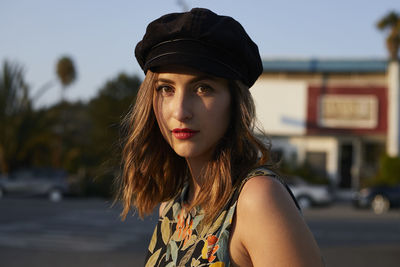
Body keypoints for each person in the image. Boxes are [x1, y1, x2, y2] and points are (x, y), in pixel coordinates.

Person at [118, 8, 324, 267]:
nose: (180, 111)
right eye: (166, 89)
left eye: (203, 88)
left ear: (235, 103)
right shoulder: (172, 207)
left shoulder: (257, 199)